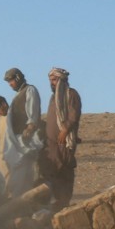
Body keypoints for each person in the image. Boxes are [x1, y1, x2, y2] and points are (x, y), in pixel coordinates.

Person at [40, 67, 82, 209]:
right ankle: (55, 205)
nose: (51, 83)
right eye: (50, 80)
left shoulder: (71, 94)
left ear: (62, 80)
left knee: (64, 170)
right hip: (51, 144)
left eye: (54, 80)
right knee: (52, 172)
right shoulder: (54, 98)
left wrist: (65, 130)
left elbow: (73, 116)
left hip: (63, 142)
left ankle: (64, 204)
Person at [3, 67, 42, 140]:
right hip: (18, 136)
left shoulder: (29, 90)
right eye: (8, 82)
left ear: (18, 78)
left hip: (29, 136)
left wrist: (30, 127)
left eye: (11, 80)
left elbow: (33, 111)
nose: (10, 84)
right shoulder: (18, 95)